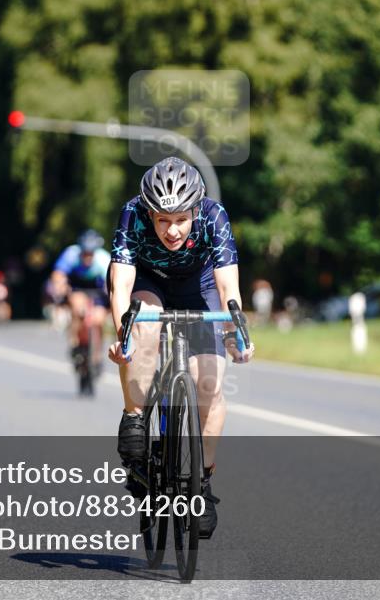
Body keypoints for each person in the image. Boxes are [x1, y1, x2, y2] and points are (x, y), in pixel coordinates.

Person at [107, 156, 254, 538]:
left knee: (209, 386)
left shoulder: (214, 215)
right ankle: (135, 415)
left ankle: (201, 483)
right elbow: (120, 286)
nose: (172, 231)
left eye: (180, 220)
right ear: (149, 213)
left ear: (195, 210)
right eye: (162, 221)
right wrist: (123, 336)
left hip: (199, 286)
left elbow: (228, 289)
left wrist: (235, 334)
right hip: (150, 283)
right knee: (145, 331)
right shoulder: (131, 214)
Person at [49, 229, 112, 384]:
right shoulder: (71, 254)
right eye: (85, 253)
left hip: (98, 292)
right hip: (77, 289)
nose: (87, 257)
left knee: (98, 320)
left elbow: (112, 281)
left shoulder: (104, 259)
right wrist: (59, 286)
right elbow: (58, 274)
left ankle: (97, 355)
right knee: (78, 307)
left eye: (91, 254)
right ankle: (74, 343)